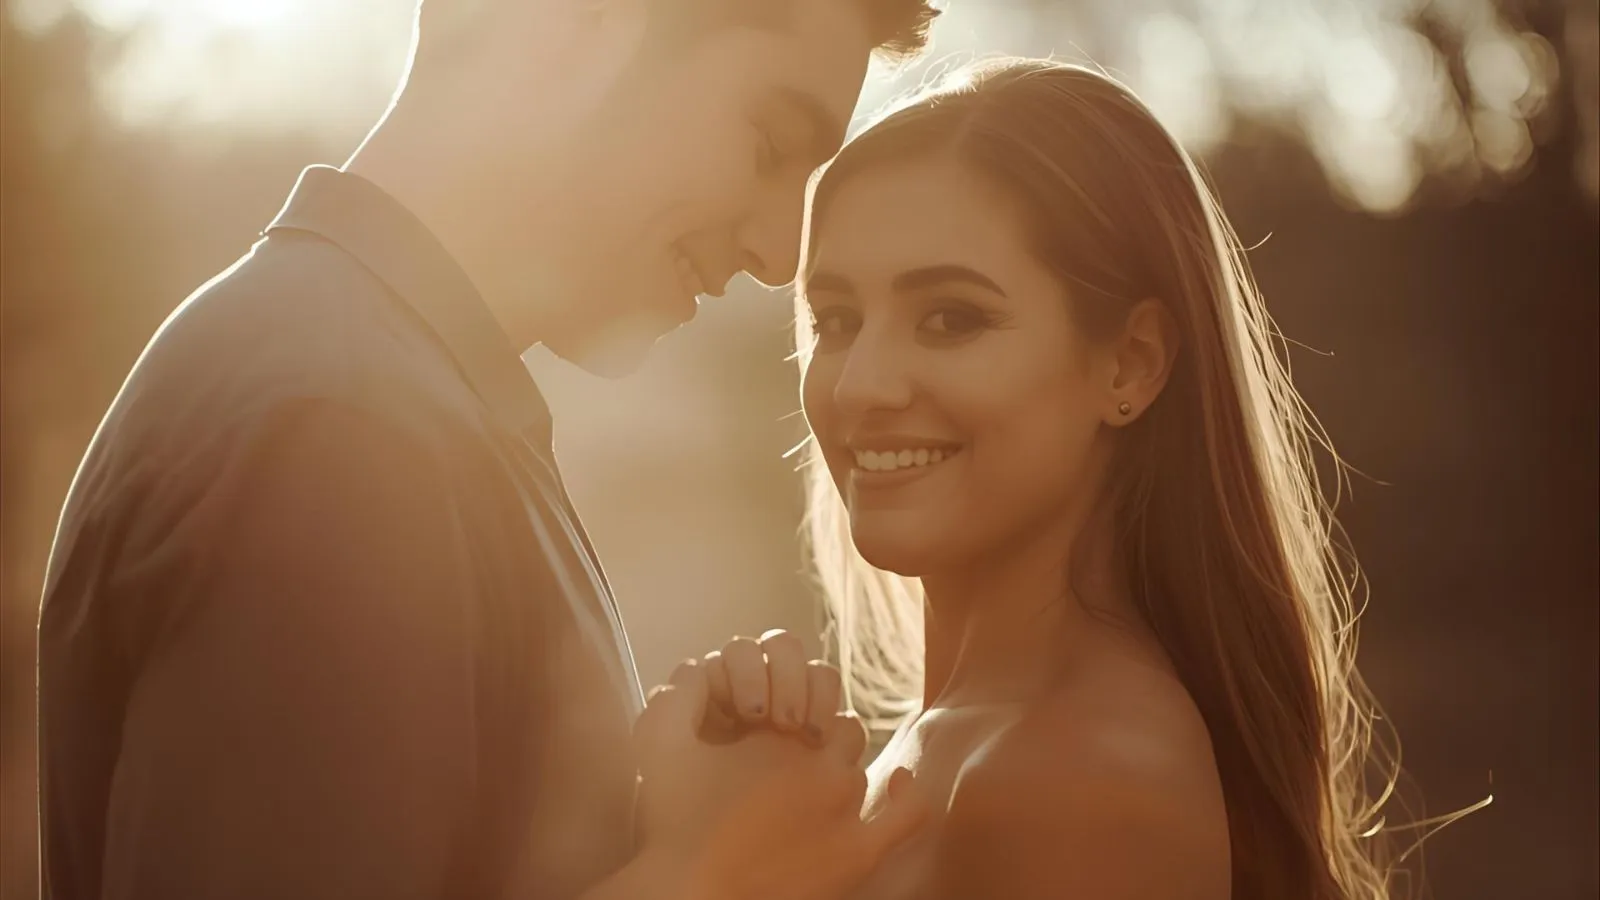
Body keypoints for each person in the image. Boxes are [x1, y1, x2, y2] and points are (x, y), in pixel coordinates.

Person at [35, 0, 937, 897]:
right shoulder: (338, 428)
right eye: (769, 144)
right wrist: (706, 878)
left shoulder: (399, 393)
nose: (779, 254)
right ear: (570, 28)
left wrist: (668, 822)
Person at [774, 57, 1399, 899]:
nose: (858, 386)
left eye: (951, 318)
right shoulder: (966, 746)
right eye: (837, 320)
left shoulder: (1082, 780)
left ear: (1130, 365)